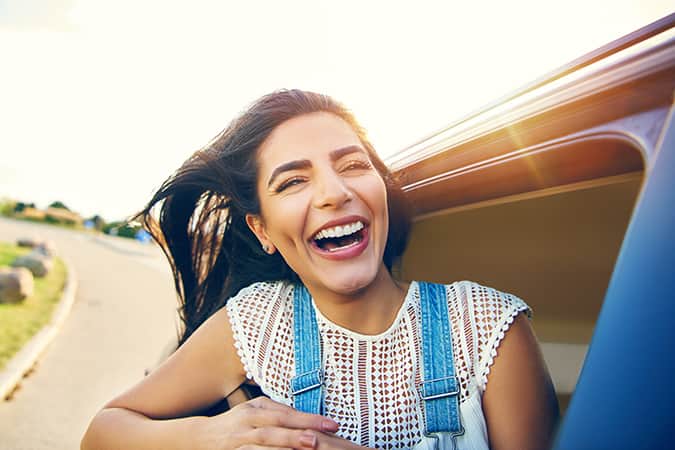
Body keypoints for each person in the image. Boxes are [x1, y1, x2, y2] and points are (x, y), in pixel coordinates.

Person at [81, 90, 559, 450]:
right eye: (293, 181)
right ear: (262, 229)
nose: (333, 193)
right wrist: (215, 435)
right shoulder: (256, 323)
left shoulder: (488, 328)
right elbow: (103, 431)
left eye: (352, 165)